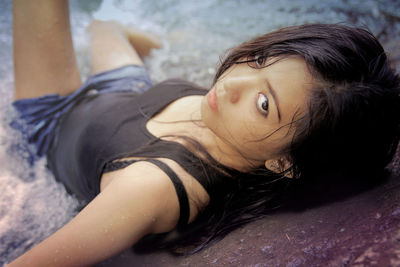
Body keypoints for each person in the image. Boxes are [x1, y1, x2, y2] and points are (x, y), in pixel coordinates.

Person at [8, 0, 400, 266]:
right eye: (261, 60)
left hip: (51, 119)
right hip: (124, 88)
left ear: (285, 160)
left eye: (264, 103)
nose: (232, 83)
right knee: (103, 26)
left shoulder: (149, 188)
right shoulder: (233, 117)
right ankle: (138, 35)